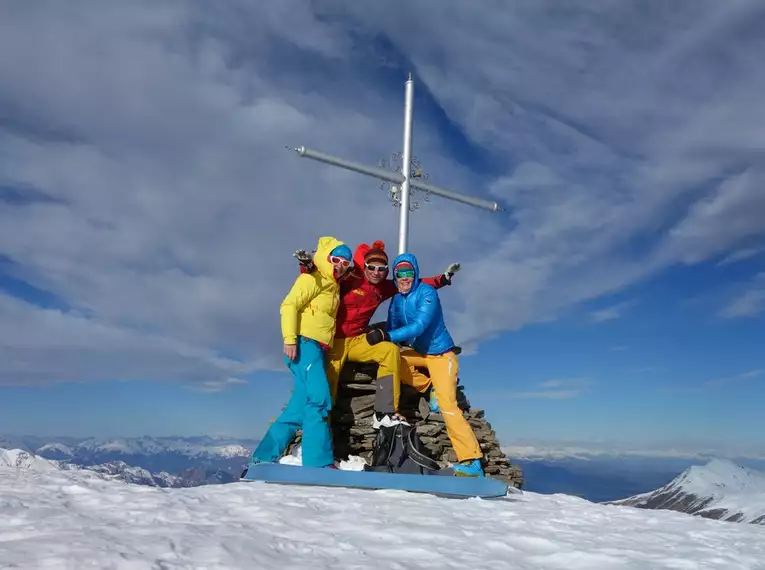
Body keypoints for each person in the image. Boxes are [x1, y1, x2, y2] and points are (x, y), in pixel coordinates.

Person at [294, 240, 460, 422]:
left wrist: (442, 280)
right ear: (364, 267)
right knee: (327, 383)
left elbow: (415, 282)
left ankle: (385, 412)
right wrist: (307, 267)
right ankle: (319, 424)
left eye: (381, 269)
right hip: (334, 340)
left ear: (387, 271)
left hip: (357, 339)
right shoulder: (350, 279)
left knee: (389, 351)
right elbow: (323, 276)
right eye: (371, 267)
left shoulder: (384, 287)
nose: (376, 272)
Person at [365, 252, 484, 477]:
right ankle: (429, 387)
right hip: (419, 353)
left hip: (442, 355)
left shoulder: (427, 293)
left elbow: (419, 326)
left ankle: (472, 461)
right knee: (392, 358)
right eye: (400, 273)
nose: (404, 277)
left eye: (409, 272)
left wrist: (385, 335)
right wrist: (374, 330)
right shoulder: (397, 300)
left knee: (448, 405)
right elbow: (392, 325)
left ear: (416, 273)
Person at [250, 236, 352, 469]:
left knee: (297, 409)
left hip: (316, 348)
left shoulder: (332, 284)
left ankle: (262, 458)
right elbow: (289, 305)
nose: (340, 265)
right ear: (326, 259)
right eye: (336, 259)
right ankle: (318, 463)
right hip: (305, 345)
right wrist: (290, 339)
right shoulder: (312, 279)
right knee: (319, 400)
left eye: (346, 262)